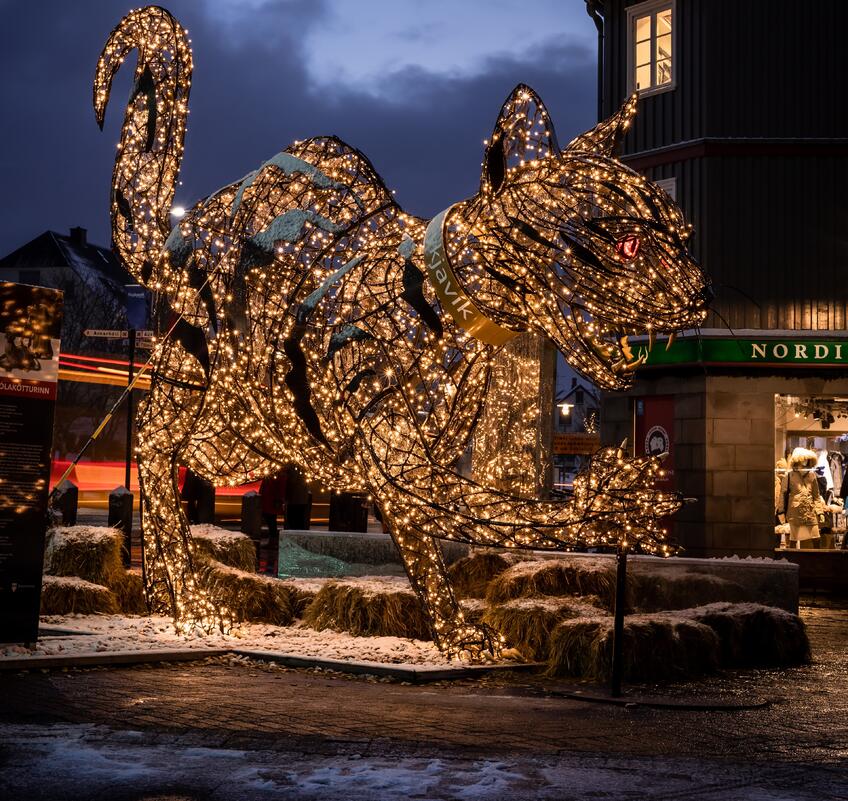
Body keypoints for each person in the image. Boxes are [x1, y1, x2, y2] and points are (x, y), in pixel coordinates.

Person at [785, 447, 821, 549]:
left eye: (807, 459)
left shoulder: (812, 475)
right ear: (797, 460)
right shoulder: (789, 476)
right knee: (793, 540)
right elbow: (783, 495)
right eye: (803, 459)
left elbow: (816, 495)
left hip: (810, 512)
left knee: (816, 538)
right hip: (795, 512)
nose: (805, 461)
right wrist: (781, 512)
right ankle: (791, 561)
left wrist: (820, 512)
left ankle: (817, 561)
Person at [259, 471, 287, 572]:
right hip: (268, 499)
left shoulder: (278, 473)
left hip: (271, 500)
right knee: (270, 520)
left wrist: (279, 499)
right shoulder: (273, 472)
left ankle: (273, 541)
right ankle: (272, 540)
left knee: (271, 521)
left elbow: (280, 487)